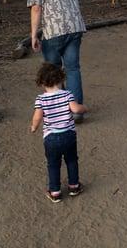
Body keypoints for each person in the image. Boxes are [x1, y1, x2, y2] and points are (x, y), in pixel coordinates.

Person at [27, 0, 87, 122]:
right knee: (72, 69)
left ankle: (57, 110)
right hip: (75, 28)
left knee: (52, 70)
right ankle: (75, 111)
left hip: (53, 31)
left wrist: (33, 35)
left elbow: (36, 8)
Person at [30, 62, 88, 203]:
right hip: (68, 135)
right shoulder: (67, 95)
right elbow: (75, 109)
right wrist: (83, 108)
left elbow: (37, 116)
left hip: (51, 137)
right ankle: (74, 186)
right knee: (72, 160)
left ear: (42, 82)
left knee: (53, 164)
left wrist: (33, 127)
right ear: (61, 79)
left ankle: (55, 191)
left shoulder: (41, 99)